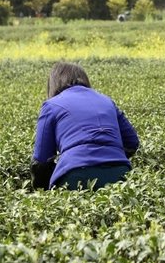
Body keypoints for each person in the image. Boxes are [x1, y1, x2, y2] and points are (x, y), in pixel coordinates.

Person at [31, 62, 140, 191]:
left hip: (75, 174)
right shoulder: (106, 101)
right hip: (119, 172)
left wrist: (42, 190)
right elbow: (132, 142)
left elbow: (41, 160)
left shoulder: (51, 105)